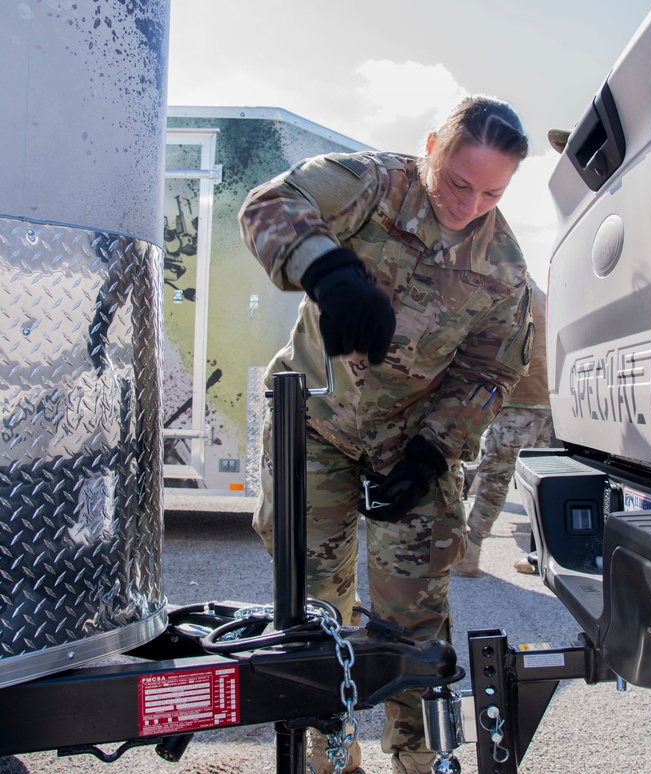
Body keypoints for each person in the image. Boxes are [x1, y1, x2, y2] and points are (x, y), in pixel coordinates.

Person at [238, 95, 533, 774]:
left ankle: (420, 754)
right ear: (431, 146)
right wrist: (330, 271)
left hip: (411, 440)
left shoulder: (505, 269)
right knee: (315, 599)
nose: (469, 203)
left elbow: (488, 373)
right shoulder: (372, 185)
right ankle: (330, 743)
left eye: (492, 192)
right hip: (317, 424)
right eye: (458, 182)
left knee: (416, 612)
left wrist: (432, 452)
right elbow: (269, 204)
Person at [453, 275, 553, 576]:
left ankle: (470, 552)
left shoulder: (506, 289)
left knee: (494, 481)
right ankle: (543, 558)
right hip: (548, 402)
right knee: (544, 485)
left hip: (518, 401)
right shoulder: (542, 296)